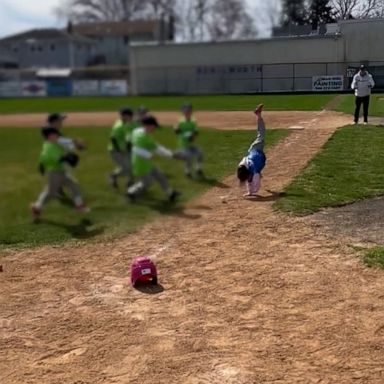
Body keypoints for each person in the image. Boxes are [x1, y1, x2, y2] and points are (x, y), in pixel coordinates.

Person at [30, 128, 89, 222]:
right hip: (54, 173)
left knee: (74, 185)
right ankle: (36, 207)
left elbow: (65, 149)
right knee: (50, 193)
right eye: (56, 135)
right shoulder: (49, 146)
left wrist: (72, 150)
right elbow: (54, 158)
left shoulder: (55, 144)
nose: (58, 136)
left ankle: (79, 206)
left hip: (61, 171)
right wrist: (66, 158)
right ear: (50, 136)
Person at [127, 116, 181, 203]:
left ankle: (170, 193)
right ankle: (131, 192)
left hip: (147, 162)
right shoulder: (141, 136)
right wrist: (149, 155)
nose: (155, 129)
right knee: (147, 182)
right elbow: (136, 149)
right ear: (147, 126)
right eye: (154, 126)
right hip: (140, 163)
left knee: (160, 175)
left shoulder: (140, 132)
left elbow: (156, 147)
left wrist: (171, 155)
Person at [237, 104, 266, 197]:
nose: (248, 179)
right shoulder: (242, 167)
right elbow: (248, 179)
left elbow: (256, 187)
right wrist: (249, 192)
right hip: (255, 154)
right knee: (257, 171)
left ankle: (258, 115)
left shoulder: (253, 170)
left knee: (261, 134)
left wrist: (252, 192)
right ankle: (258, 115)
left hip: (256, 148)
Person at [108, 108, 135, 189]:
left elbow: (126, 136)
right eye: (130, 116)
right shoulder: (119, 126)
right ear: (124, 116)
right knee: (126, 168)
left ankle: (130, 183)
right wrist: (119, 150)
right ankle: (113, 175)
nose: (131, 117)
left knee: (131, 166)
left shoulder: (125, 123)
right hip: (115, 151)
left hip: (124, 149)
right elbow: (112, 138)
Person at [174, 103, 204, 178]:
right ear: (183, 112)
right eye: (186, 110)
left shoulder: (193, 121)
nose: (187, 112)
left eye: (189, 110)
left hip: (190, 144)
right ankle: (187, 171)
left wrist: (193, 136)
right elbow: (177, 131)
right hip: (183, 145)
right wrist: (187, 135)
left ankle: (198, 168)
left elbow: (196, 131)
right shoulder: (180, 121)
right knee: (188, 156)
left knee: (200, 152)